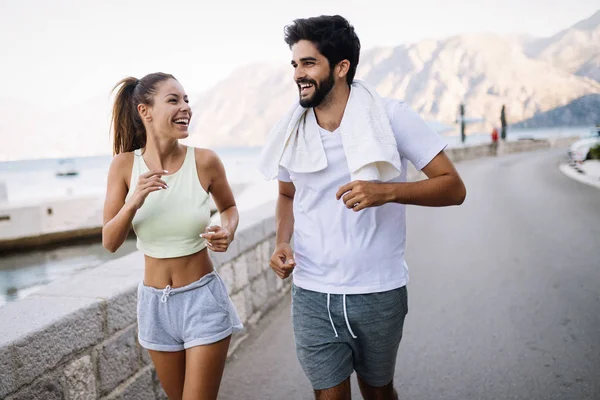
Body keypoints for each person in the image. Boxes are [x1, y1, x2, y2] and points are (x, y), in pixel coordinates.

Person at [258, 16, 467, 400]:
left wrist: (386, 192)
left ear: (341, 67)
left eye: (308, 63)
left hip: (378, 290)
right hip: (312, 292)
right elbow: (287, 195)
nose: (297, 75)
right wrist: (281, 242)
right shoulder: (291, 129)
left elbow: (453, 187)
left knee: (377, 390)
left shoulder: (391, 116)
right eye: (294, 64)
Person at [102, 72, 243, 400]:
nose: (186, 107)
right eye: (174, 100)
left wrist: (228, 230)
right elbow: (109, 241)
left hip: (202, 300)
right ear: (144, 111)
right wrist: (133, 200)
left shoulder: (205, 161)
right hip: (154, 306)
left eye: (187, 100)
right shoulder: (123, 167)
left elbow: (230, 208)